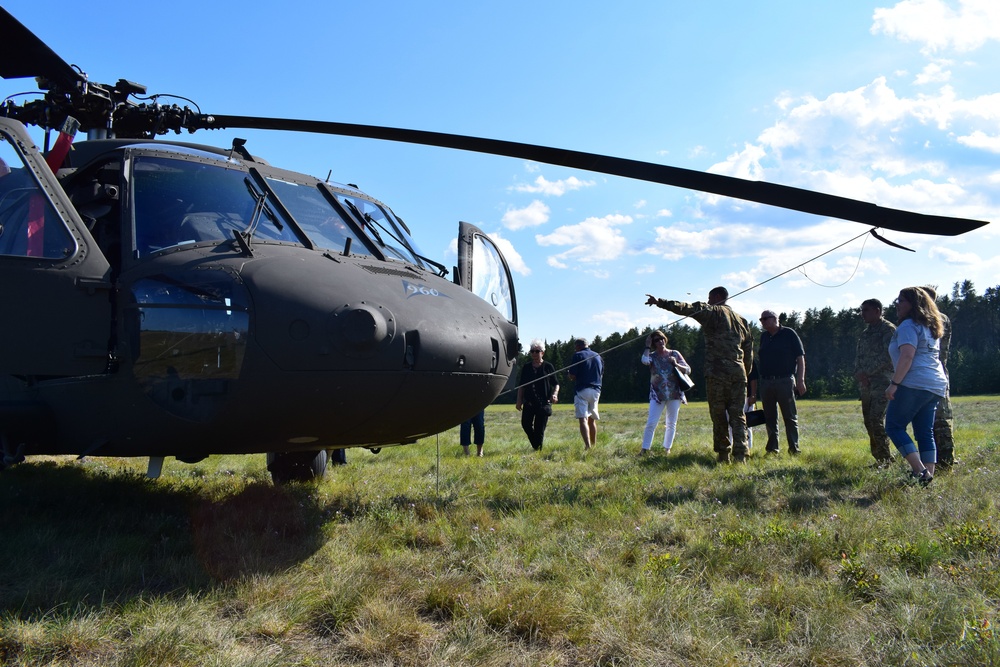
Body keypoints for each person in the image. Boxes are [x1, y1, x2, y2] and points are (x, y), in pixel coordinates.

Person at [646, 286, 753, 463]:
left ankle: (723, 454)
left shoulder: (713, 312)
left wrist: (660, 303)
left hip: (717, 372)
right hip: (738, 372)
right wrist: (745, 373)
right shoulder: (742, 320)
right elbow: (748, 352)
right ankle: (741, 454)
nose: (708, 301)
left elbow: (688, 308)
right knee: (738, 415)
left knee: (718, 414)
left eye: (710, 298)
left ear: (718, 297)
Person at [885, 286, 949, 485]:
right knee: (924, 431)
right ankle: (927, 476)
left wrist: (894, 384)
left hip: (915, 383)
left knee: (894, 426)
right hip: (936, 385)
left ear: (913, 304)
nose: (897, 304)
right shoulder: (930, 327)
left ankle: (920, 473)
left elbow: (907, 356)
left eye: (901, 301)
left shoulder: (908, 326)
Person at [755, 310, 806, 455]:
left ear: (775, 319)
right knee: (770, 417)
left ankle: (794, 449)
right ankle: (772, 449)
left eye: (765, 318)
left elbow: (800, 359)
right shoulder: (764, 337)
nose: (762, 322)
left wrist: (801, 380)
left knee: (789, 416)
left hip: (785, 381)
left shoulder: (789, 333)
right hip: (766, 382)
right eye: (761, 319)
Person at [854, 298, 896, 465]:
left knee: (876, 420)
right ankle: (879, 459)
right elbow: (859, 356)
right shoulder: (866, 333)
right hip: (866, 384)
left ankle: (886, 459)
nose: (862, 314)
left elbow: (889, 355)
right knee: (868, 421)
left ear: (877, 311)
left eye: (866, 310)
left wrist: (868, 372)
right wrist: (858, 373)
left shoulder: (888, 330)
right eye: (862, 310)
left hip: (883, 382)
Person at [639, 330, 690, 455]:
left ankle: (667, 449)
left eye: (661, 338)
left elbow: (688, 370)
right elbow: (644, 361)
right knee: (651, 422)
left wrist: (676, 364)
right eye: (656, 340)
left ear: (665, 339)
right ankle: (645, 449)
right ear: (653, 343)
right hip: (657, 395)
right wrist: (646, 345)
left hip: (674, 393)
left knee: (671, 423)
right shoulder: (652, 356)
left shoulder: (674, 353)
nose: (660, 341)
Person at [923, 286, 955, 468]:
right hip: (933, 373)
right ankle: (936, 460)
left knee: (941, 419)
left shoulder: (937, 318)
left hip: (936, 373)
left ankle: (945, 460)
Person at [516, 339, 560, 451]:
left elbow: (556, 384)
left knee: (539, 429)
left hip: (543, 403)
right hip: (529, 403)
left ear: (542, 352)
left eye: (537, 351)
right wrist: (519, 400)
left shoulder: (548, 367)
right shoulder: (526, 367)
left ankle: (538, 451)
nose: (534, 353)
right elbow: (522, 385)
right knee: (525, 424)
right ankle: (536, 446)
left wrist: (554, 394)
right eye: (532, 351)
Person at [568, 337, 603, 450]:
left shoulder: (577, 355)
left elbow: (573, 375)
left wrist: (569, 375)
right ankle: (594, 445)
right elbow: (601, 374)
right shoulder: (598, 356)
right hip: (596, 391)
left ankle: (587, 446)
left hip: (582, 390)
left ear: (578, 346)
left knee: (583, 419)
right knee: (591, 419)